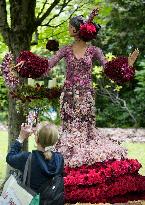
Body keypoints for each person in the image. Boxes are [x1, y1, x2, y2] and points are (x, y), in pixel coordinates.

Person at [5, 8, 145, 204]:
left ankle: (85, 175)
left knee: (86, 133)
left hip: (87, 97)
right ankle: (60, 176)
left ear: (78, 30)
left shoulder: (94, 50)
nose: (69, 29)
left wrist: (127, 65)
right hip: (69, 98)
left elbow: (107, 69)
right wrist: (25, 64)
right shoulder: (65, 49)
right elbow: (46, 66)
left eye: (71, 27)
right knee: (70, 132)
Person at [6, 122, 64, 205]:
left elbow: (10, 157)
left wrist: (21, 137)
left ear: (37, 139)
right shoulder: (59, 159)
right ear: (55, 141)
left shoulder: (26, 158)